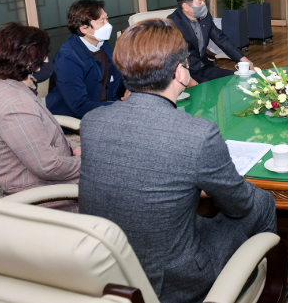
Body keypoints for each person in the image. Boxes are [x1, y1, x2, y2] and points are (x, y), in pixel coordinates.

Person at [79, 18, 276, 303]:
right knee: (261, 201)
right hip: (173, 279)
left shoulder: (93, 121)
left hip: (109, 267)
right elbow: (241, 204)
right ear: (181, 73)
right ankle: (261, 287)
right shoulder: (198, 134)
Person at [0, 23, 81, 198]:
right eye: (44, 55)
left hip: (35, 177)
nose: (47, 59)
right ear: (31, 62)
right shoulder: (16, 106)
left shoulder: (2, 87)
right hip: (31, 194)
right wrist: (89, 163)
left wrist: (73, 148)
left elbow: (42, 135)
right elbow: (49, 167)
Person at [46, 0, 127, 119]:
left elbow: (115, 78)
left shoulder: (102, 43)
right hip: (80, 118)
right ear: (84, 28)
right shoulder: (67, 59)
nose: (108, 25)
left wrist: (130, 91)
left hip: (107, 107)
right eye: (101, 21)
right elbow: (80, 107)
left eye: (106, 18)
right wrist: (120, 107)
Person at [167, 0, 254, 85]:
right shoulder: (172, 24)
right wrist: (188, 80)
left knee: (236, 78)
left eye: (204, 1)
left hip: (205, 68)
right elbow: (171, 59)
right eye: (200, 3)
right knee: (206, 85)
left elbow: (221, 39)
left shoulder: (205, 16)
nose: (204, 5)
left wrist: (242, 59)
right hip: (186, 73)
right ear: (185, 6)